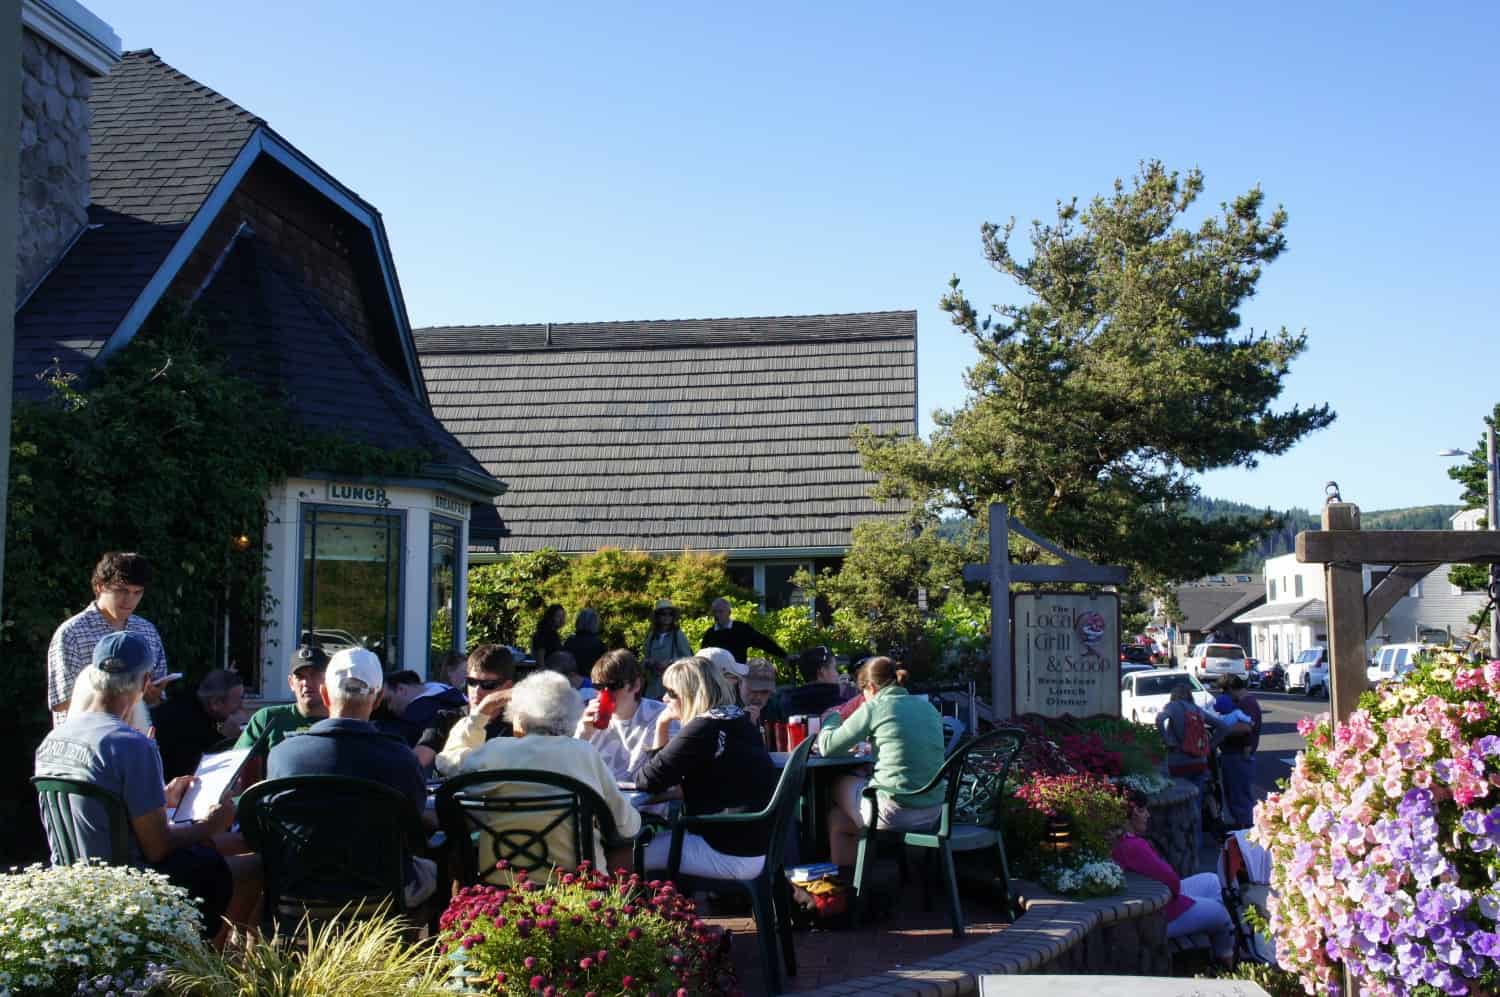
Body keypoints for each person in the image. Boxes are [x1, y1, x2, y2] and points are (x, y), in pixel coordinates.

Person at [35, 633, 258, 940]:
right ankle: (209, 972)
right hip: (130, 885)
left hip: (71, 879)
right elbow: (158, 845)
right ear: (145, 682)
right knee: (252, 868)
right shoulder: (131, 744)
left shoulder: (53, 741)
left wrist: (161, 797)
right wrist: (212, 824)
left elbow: (101, 808)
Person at [266, 647, 437, 908]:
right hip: (381, 894)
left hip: (297, 892)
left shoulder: (282, 756)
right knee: (439, 867)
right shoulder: (402, 758)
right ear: (378, 698)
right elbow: (413, 829)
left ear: (324, 694)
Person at [454, 670, 641, 872]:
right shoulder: (583, 753)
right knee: (624, 844)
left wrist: (481, 713)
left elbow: (449, 762)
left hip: (500, 883)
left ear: (519, 716)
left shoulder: (494, 750)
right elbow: (625, 825)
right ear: (571, 715)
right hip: (575, 889)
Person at [637, 656, 778, 878]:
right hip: (751, 847)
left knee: (626, 853)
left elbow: (648, 780)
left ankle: (630, 912)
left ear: (689, 695)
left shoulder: (702, 727)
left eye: (671, 693)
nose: (664, 698)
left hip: (725, 850)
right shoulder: (738, 719)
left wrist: (661, 725)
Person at [817, 657, 945, 867]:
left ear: (870, 687)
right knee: (838, 819)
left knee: (837, 784)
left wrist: (833, 718)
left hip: (895, 812)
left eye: (862, 692)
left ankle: (848, 889)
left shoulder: (875, 706)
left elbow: (828, 746)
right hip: (934, 811)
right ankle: (863, 881)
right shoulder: (928, 708)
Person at [1112, 788, 1235, 967]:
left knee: (1211, 880)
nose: (1148, 815)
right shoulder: (1133, 846)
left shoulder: (1122, 839)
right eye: (1144, 810)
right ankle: (1227, 961)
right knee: (1221, 913)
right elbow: (1172, 880)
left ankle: (1223, 937)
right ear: (1134, 811)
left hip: (1157, 899)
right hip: (1158, 915)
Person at [47, 552, 172, 727]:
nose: (129, 599)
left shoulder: (147, 631)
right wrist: (121, 696)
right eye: (122, 591)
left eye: (137, 592)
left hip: (135, 742)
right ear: (99, 586)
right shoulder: (72, 632)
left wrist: (152, 695)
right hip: (84, 742)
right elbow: (61, 702)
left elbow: (157, 697)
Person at [575, 649, 669, 782]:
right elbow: (573, 768)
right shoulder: (590, 719)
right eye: (598, 686)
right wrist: (583, 733)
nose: (605, 692)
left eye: (613, 686)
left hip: (644, 800)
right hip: (601, 797)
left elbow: (669, 777)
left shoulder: (661, 716)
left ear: (636, 685)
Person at [429, 644, 518, 775]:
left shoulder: (518, 724)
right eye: (471, 682)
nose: (477, 690)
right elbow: (417, 760)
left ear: (507, 687)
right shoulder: (446, 718)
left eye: (487, 685)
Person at [150, 669, 248, 780]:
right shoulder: (188, 724)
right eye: (238, 701)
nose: (241, 707)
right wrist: (226, 739)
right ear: (215, 703)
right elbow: (206, 770)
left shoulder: (191, 701)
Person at [236, 645, 330, 756]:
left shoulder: (342, 721)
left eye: (314, 675)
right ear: (291, 683)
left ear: (329, 679)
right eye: (300, 677)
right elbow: (239, 767)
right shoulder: (267, 719)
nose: (306, 683)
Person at [1217, 676, 1263, 829]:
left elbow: (1245, 727)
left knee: (1240, 795)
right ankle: (1241, 825)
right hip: (1233, 755)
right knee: (1234, 794)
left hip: (1239, 755)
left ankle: (1245, 830)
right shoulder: (1241, 703)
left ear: (1230, 689)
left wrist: (1221, 731)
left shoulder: (1247, 703)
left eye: (1224, 691)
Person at [377, 669, 466, 746]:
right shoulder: (449, 694)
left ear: (401, 689)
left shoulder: (418, 715)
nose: (389, 708)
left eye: (387, 701)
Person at [700, 597, 786, 663]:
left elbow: (763, 642)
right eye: (715, 612)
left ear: (729, 612)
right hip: (716, 677)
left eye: (721, 611)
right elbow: (703, 656)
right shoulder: (710, 633)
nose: (717, 615)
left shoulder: (741, 629)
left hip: (738, 675)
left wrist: (784, 655)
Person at [777, 645, 850, 719]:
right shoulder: (843, 707)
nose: (837, 674)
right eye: (834, 668)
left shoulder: (787, 702)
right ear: (822, 672)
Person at [642, 599, 692, 667]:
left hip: (673, 676)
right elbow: (645, 657)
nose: (667, 616)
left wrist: (671, 662)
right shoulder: (651, 635)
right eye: (663, 614)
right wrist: (649, 662)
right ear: (657, 616)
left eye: (670, 614)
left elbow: (688, 658)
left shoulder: (678, 634)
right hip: (653, 677)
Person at [562, 608, 607, 675]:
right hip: (591, 680)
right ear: (595, 623)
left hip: (572, 680)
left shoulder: (570, 641)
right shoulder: (599, 644)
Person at [742, 658, 780, 726]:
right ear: (740, 683)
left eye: (764, 691)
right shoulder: (726, 709)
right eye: (754, 690)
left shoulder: (775, 709)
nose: (759, 696)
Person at [530, 604, 566, 668]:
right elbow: (540, 659)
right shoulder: (543, 633)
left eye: (563, 616)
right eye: (558, 616)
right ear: (551, 617)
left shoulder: (554, 634)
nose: (562, 619)